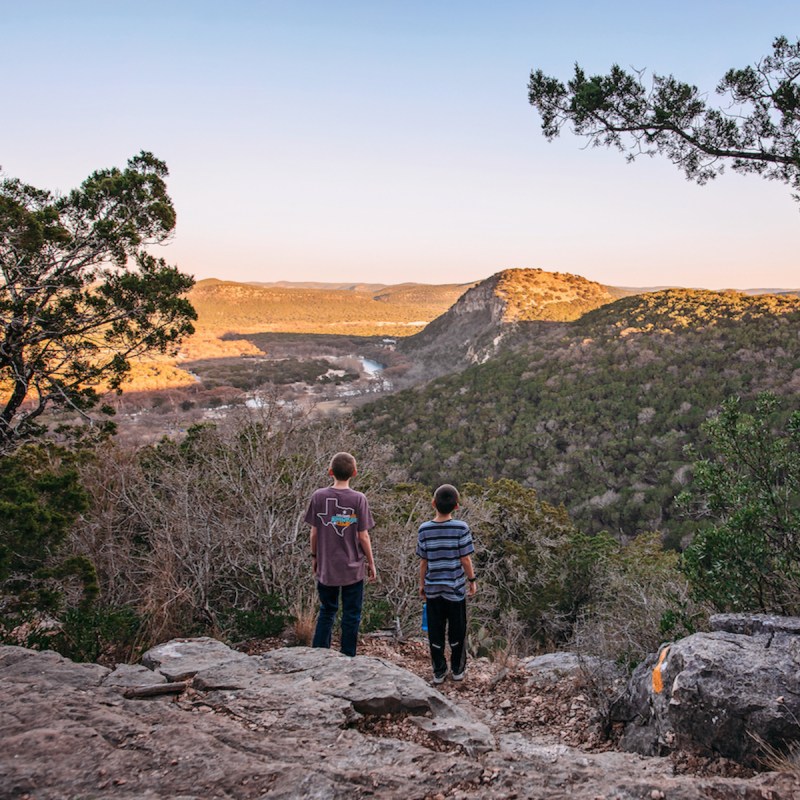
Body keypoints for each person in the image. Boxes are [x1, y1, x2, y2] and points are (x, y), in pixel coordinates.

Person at [305, 451, 376, 657]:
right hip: (353, 567)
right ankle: (347, 655)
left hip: (327, 565)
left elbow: (314, 532)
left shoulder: (318, 496)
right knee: (351, 614)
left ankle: (319, 654)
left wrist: (315, 557)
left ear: (330, 472)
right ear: (354, 472)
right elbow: (363, 536)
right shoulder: (359, 499)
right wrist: (371, 562)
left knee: (327, 610)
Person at [417, 484, 477, 683]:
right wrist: (472, 581)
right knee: (457, 629)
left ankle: (439, 671)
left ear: (433, 503)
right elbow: (465, 559)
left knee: (435, 630)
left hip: (434, 589)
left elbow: (423, 561)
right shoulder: (461, 528)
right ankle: (458, 669)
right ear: (456, 506)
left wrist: (421, 585)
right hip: (455, 589)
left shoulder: (424, 530)